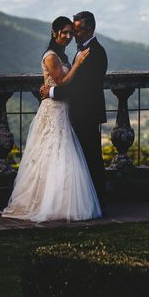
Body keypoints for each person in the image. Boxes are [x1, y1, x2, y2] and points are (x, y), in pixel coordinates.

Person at [1, 16, 102, 222]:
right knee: (51, 154)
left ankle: (61, 202)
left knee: (63, 155)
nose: (68, 36)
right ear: (54, 33)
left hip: (64, 110)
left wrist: (54, 89)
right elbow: (62, 80)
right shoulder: (51, 56)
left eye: (70, 32)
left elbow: (69, 85)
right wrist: (77, 64)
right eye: (64, 32)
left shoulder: (64, 56)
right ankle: (47, 202)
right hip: (53, 111)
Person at [39, 11, 108, 206]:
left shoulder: (95, 52)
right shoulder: (78, 51)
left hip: (86, 113)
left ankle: (96, 202)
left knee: (92, 159)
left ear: (89, 30)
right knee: (79, 160)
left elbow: (82, 87)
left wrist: (52, 92)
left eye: (77, 30)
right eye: (71, 30)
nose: (73, 35)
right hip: (75, 113)